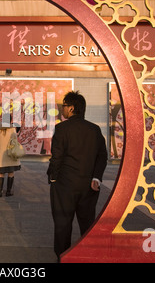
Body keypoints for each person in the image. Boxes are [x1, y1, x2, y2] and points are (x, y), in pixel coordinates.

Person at [47, 91, 107, 261]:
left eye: (64, 106)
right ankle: (87, 255)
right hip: (88, 187)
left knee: (62, 225)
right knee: (87, 225)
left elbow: (56, 157)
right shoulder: (94, 130)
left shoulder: (61, 128)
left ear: (71, 108)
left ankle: (63, 257)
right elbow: (102, 156)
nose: (62, 109)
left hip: (64, 187)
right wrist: (96, 178)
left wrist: (53, 178)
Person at [0, 126, 21, 197]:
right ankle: (8, 191)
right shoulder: (12, 130)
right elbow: (15, 142)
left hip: (1, 155)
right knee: (11, 173)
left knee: (0, 174)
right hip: (10, 155)